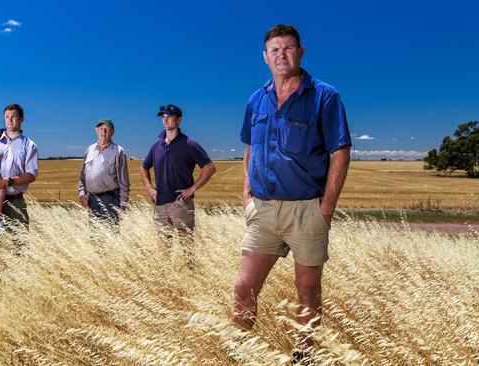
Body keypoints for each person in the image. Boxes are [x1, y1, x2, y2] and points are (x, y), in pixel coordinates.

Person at [232, 24, 351, 350]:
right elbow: (251, 149)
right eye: (275, 50)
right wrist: (247, 195)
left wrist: (325, 209)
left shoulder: (325, 96)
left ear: (300, 52)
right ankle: (241, 351)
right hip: (264, 209)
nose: (281, 55)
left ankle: (305, 354)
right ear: (265, 57)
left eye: (288, 49)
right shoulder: (257, 100)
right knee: (244, 286)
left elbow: (339, 152)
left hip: (306, 210)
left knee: (307, 290)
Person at [140, 104, 216, 252]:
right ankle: (168, 275)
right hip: (160, 204)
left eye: (169, 116)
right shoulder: (156, 147)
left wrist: (192, 189)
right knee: (164, 249)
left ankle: (190, 274)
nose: (166, 120)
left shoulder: (189, 144)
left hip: (180, 203)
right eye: (163, 117)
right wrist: (149, 188)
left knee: (187, 248)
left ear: (179, 119)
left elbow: (209, 167)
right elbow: (144, 167)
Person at [0, 103, 39, 258]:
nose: (9, 120)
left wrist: (8, 181)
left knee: (22, 242)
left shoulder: (29, 145)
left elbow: (31, 174)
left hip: (15, 199)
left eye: (14, 116)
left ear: (21, 119)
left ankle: (21, 279)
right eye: (7, 117)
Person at [78, 118, 130, 228]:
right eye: (101, 129)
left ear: (113, 132)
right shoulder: (89, 150)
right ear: (96, 130)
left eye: (107, 129)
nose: (103, 132)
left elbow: (124, 181)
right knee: (95, 237)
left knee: (111, 236)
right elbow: (83, 175)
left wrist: (122, 205)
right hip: (92, 200)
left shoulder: (119, 151)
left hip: (111, 200)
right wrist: (82, 194)